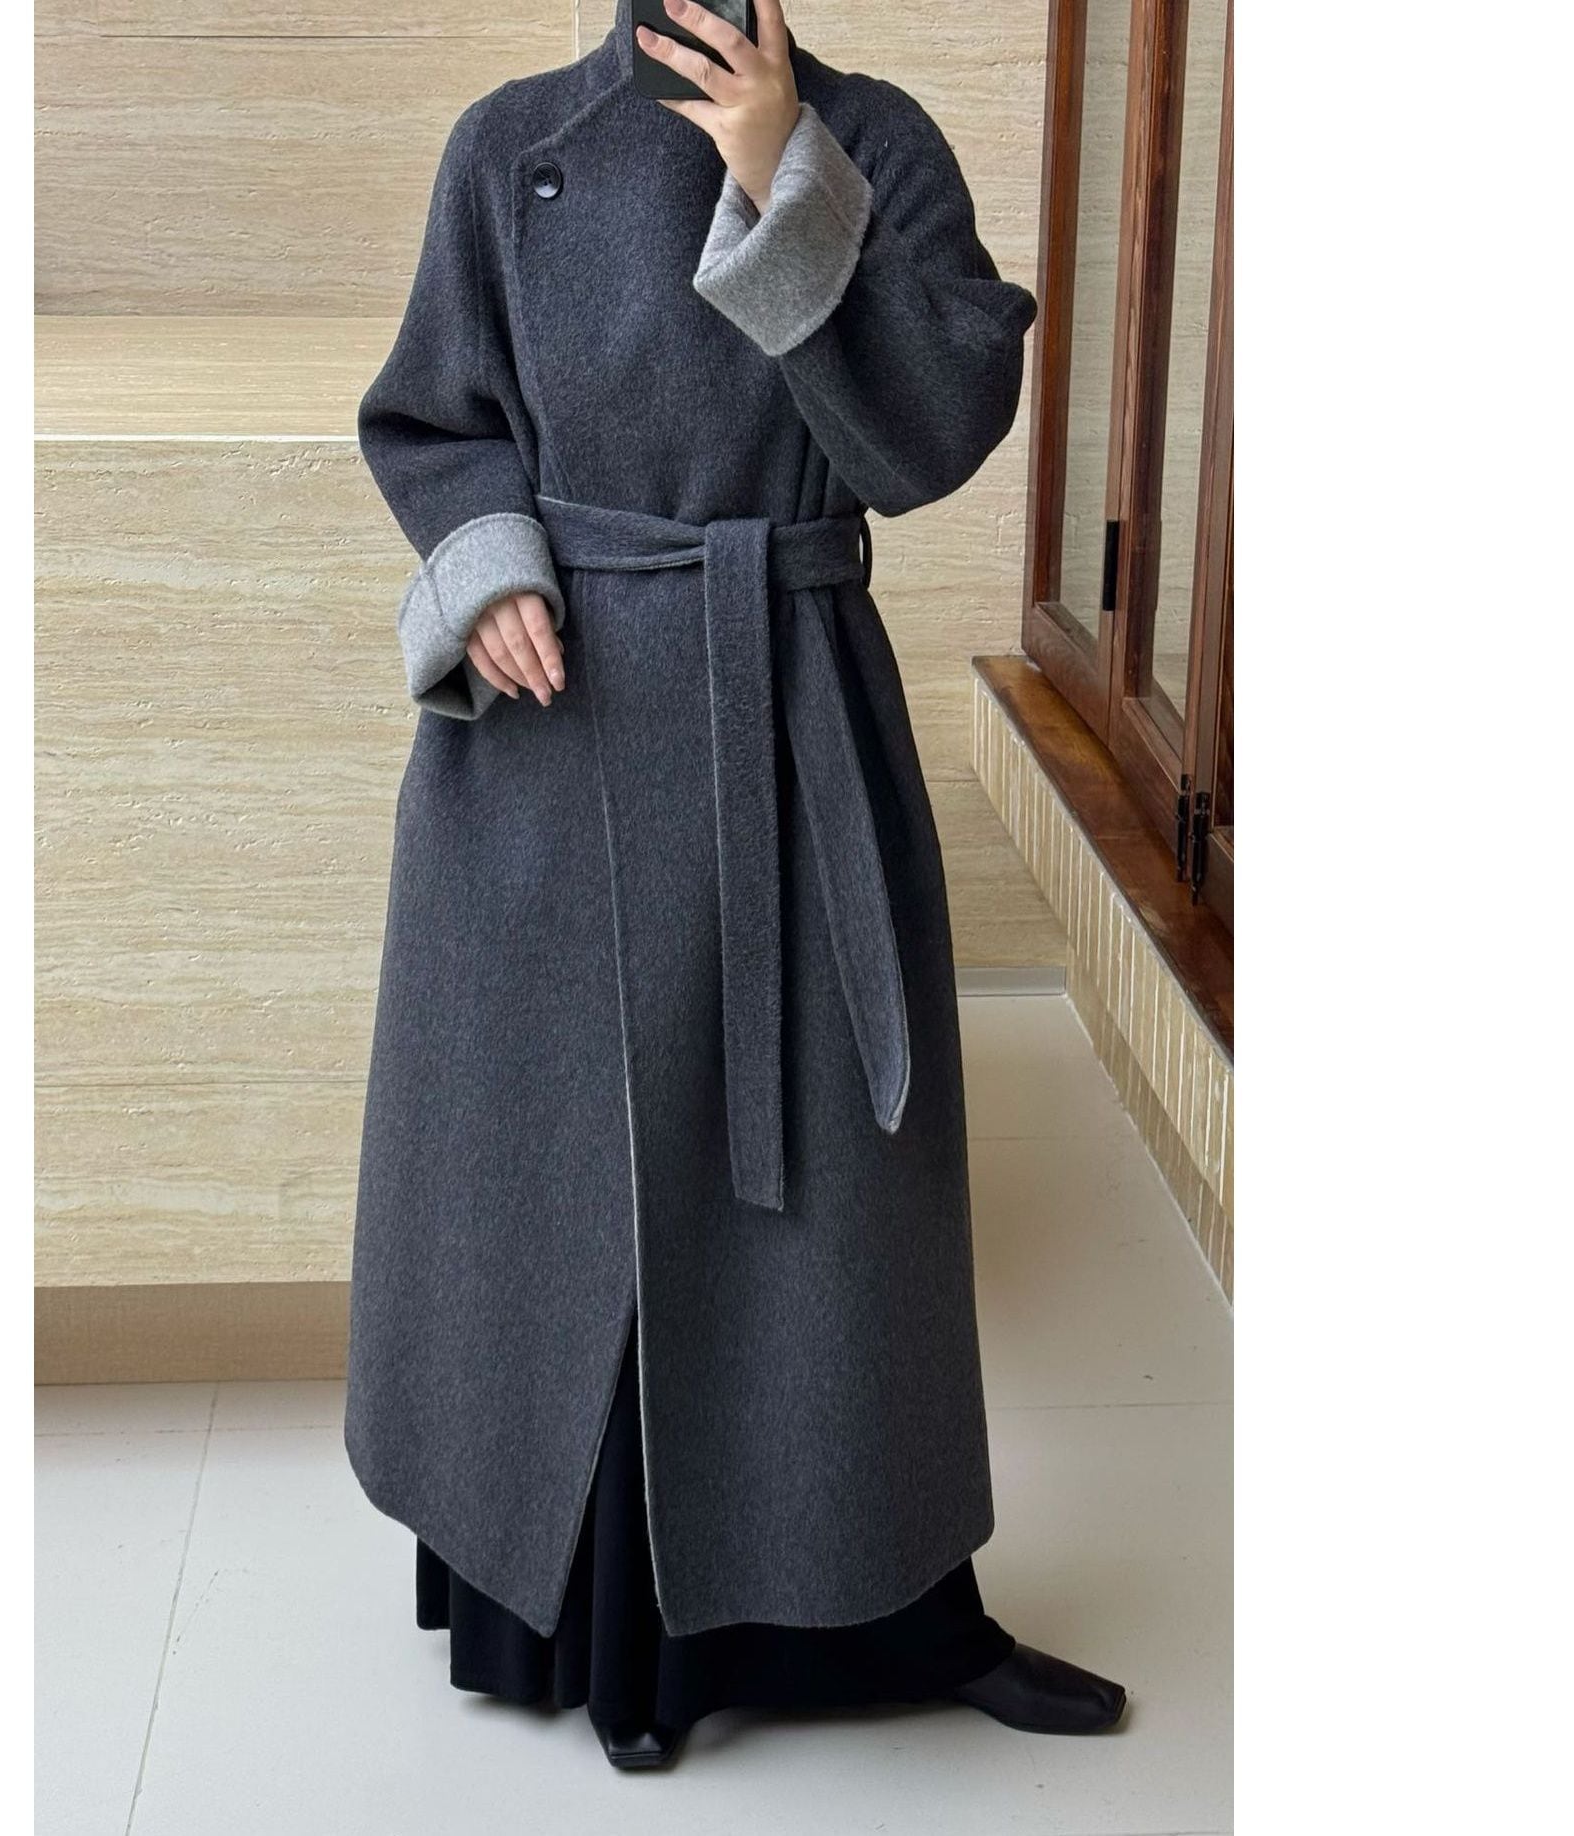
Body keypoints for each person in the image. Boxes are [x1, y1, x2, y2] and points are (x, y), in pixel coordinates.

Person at [342, 0, 1128, 1770]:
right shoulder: (510, 147)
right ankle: (594, 1630)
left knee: (833, 1203)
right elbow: (432, 419)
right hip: (550, 757)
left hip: (792, 718)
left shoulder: (878, 141)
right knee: (565, 1188)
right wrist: (489, 564)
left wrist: (785, 176)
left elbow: (927, 440)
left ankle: (897, 1602)